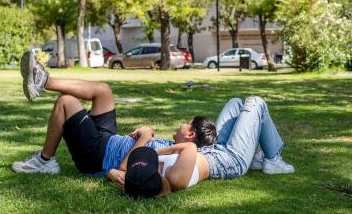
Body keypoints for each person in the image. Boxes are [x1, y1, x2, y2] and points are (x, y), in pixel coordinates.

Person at [11, 51, 217, 176]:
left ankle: (45, 161)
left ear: (190, 134)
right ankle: (44, 81)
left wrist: (143, 139)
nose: (183, 123)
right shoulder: (173, 147)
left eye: (187, 123)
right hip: (110, 139)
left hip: (98, 157)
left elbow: (127, 167)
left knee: (66, 102)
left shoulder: (176, 159)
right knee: (104, 91)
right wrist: (148, 132)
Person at [111, 96, 294, 198]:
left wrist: (112, 174)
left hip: (213, 150)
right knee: (256, 102)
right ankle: (273, 159)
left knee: (235, 103)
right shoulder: (175, 179)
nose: (143, 163)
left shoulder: (142, 176)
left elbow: (122, 168)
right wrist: (152, 153)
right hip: (230, 159)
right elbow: (189, 149)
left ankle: (255, 156)